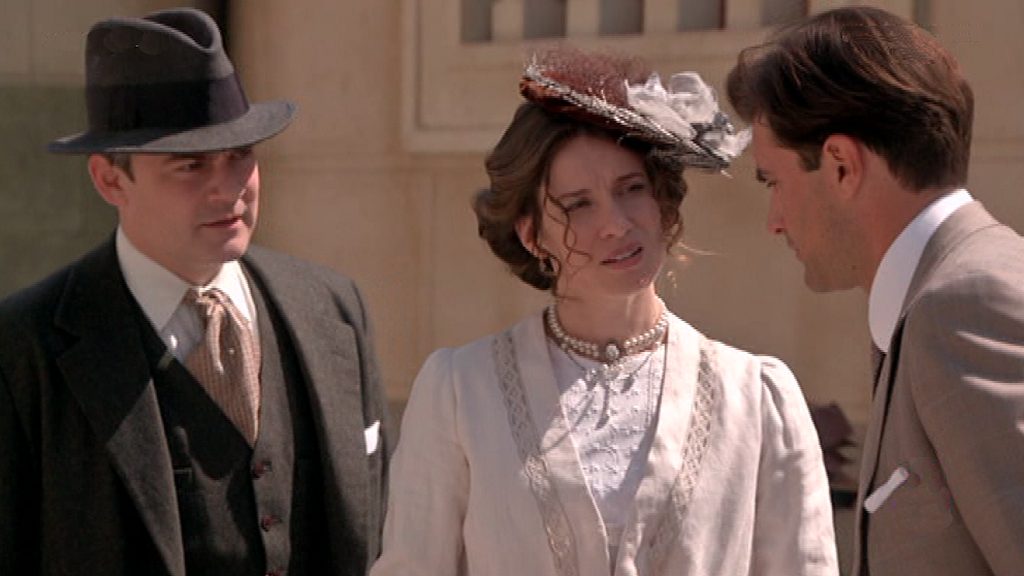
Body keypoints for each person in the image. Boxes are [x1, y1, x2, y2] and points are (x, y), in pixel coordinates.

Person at [370, 48, 837, 576]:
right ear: (531, 234)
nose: (615, 223)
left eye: (631, 190)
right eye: (578, 204)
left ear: (663, 204)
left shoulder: (755, 396)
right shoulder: (460, 390)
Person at [0, 8, 389, 576]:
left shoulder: (332, 306)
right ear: (110, 179)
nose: (228, 189)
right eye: (190, 165)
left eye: (240, 156)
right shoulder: (24, 346)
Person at [726, 6, 1024, 576]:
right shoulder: (938, 300)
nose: (774, 221)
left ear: (841, 165)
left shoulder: (965, 305)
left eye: (773, 182)